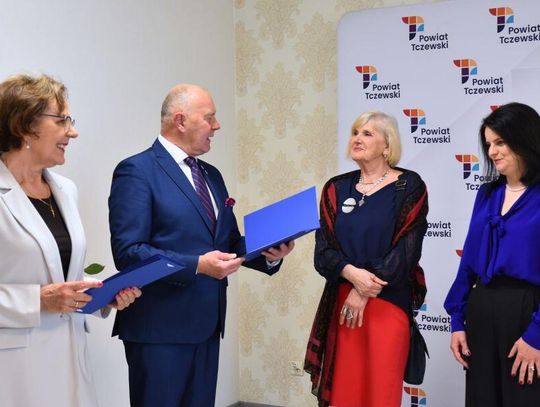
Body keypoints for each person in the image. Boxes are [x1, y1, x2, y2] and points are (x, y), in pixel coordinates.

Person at [108, 83, 294, 407]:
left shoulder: (211, 174)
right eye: (210, 117)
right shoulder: (136, 171)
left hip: (207, 326)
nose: (217, 126)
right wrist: (197, 265)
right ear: (180, 121)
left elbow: (228, 242)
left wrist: (269, 253)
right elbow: (129, 252)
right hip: (159, 331)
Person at [0, 73, 141, 407]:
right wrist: (37, 300)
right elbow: (46, 292)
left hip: (71, 359)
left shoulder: (66, 190)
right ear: (24, 126)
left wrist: (99, 296)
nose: (72, 132)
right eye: (61, 120)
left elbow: (60, 276)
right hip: (15, 370)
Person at [304, 111, 429, 407]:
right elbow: (323, 252)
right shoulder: (335, 188)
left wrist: (363, 289)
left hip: (387, 303)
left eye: (368, 133)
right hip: (343, 306)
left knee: (380, 393)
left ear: (387, 145)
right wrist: (353, 276)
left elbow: (406, 252)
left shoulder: (409, 186)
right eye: (355, 132)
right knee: (345, 392)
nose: (357, 138)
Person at [444, 102, 540, 406]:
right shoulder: (486, 193)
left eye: (500, 142)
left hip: (527, 314)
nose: (492, 152)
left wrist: (537, 336)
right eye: (488, 144)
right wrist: (457, 319)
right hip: (482, 310)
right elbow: (468, 262)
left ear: (524, 139)